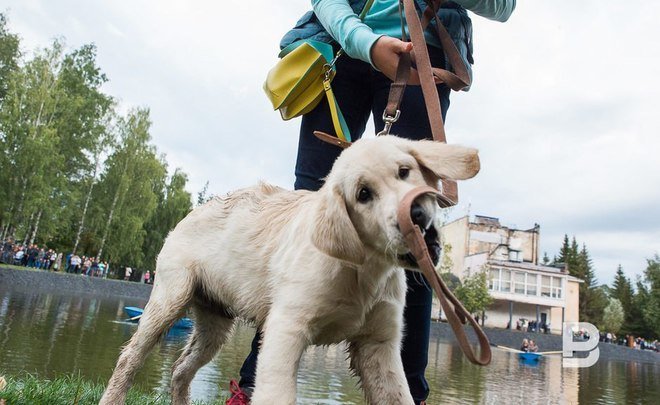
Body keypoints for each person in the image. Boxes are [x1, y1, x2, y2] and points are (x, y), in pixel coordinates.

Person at [227, 1, 516, 404]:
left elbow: (504, 7)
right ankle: (255, 390)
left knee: (414, 228)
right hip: (339, 49)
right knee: (307, 218)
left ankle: (408, 396)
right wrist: (365, 41)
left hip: (422, 49)